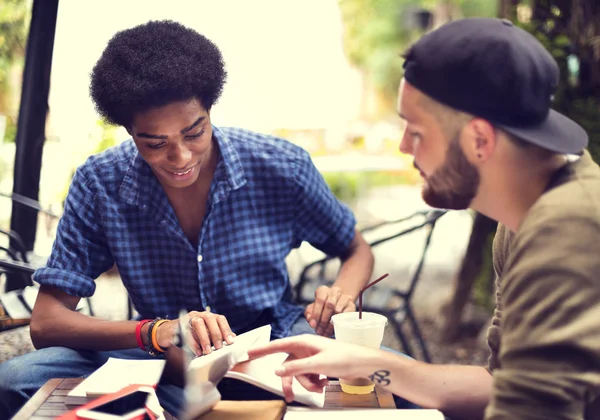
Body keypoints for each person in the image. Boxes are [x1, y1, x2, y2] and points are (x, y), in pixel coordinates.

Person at [0, 20, 375, 418]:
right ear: (129, 131)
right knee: (12, 380)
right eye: (155, 143)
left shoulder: (281, 166)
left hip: (276, 339)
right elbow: (46, 323)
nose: (180, 158)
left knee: (387, 379)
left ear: (210, 108)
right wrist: (155, 332)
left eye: (194, 133)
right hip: (160, 356)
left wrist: (342, 295)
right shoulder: (99, 185)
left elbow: (356, 249)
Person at [248, 17, 600, 420]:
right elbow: (500, 383)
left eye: (415, 131)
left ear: (480, 140)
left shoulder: (568, 228)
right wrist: (362, 363)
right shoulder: (522, 220)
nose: (402, 146)